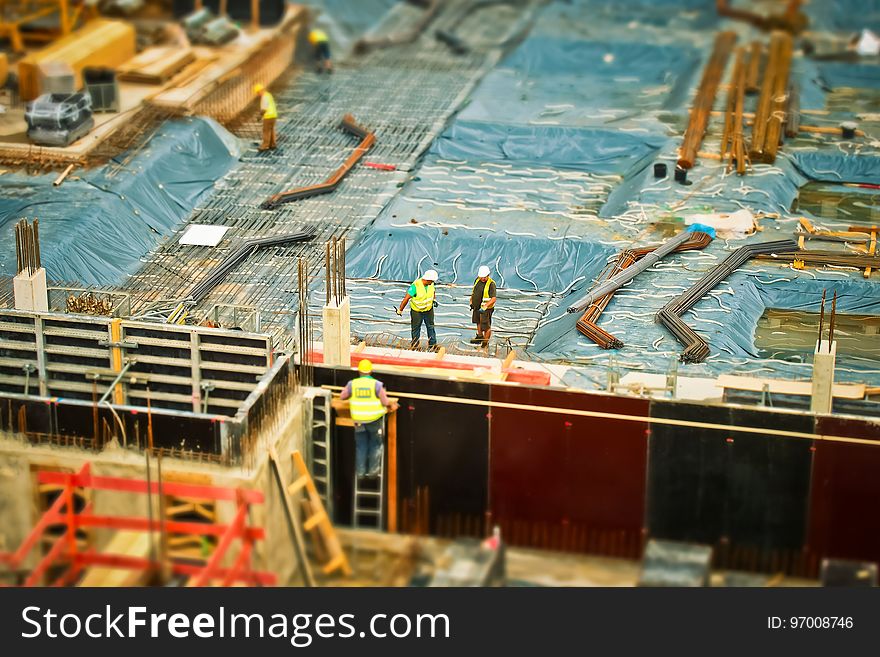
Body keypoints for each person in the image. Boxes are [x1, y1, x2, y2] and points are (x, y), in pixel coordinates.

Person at [339, 359, 396, 477]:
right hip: (374, 420)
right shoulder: (376, 385)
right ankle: (373, 471)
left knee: (361, 446)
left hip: (358, 421)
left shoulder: (352, 384)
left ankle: (360, 472)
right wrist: (392, 405)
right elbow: (385, 402)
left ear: (359, 371)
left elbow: (342, 396)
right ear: (370, 371)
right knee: (375, 444)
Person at [396, 269, 438, 349]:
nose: (433, 283)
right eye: (432, 281)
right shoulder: (415, 286)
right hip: (417, 312)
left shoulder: (430, 284)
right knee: (416, 329)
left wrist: (434, 300)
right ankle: (415, 346)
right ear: (427, 279)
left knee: (431, 327)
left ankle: (432, 345)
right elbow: (406, 298)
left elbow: (433, 292)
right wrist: (400, 310)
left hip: (429, 310)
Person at [470, 265, 497, 348]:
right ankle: (479, 337)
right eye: (481, 277)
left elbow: (493, 298)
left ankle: (485, 342)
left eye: (484, 277)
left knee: (486, 326)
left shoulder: (491, 284)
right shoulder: (477, 280)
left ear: (488, 275)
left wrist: (485, 306)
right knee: (477, 321)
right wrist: (471, 301)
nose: (483, 279)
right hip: (477, 306)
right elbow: (474, 292)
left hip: (485, 309)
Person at [253, 84, 277, 151]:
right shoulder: (268, 95)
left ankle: (265, 145)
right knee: (271, 130)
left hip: (268, 116)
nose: (258, 94)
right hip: (274, 115)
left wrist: (259, 116)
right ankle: (272, 144)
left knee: (266, 131)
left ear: (260, 91)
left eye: (258, 92)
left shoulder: (264, 97)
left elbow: (264, 108)